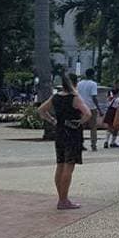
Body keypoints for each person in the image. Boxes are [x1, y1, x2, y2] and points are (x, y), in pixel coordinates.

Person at [38, 71, 91, 209]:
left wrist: (52, 120)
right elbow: (88, 113)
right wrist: (79, 122)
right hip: (72, 133)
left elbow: (41, 110)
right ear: (75, 83)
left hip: (60, 131)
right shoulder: (75, 98)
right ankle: (64, 199)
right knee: (69, 166)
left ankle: (61, 197)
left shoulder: (55, 97)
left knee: (60, 164)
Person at [76, 68, 100, 151]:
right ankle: (93, 144)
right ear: (93, 75)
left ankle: (80, 143)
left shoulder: (79, 84)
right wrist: (99, 108)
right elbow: (94, 97)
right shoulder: (93, 84)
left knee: (80, 126)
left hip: (81, 107)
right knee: (93, 127)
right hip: (91, 107)